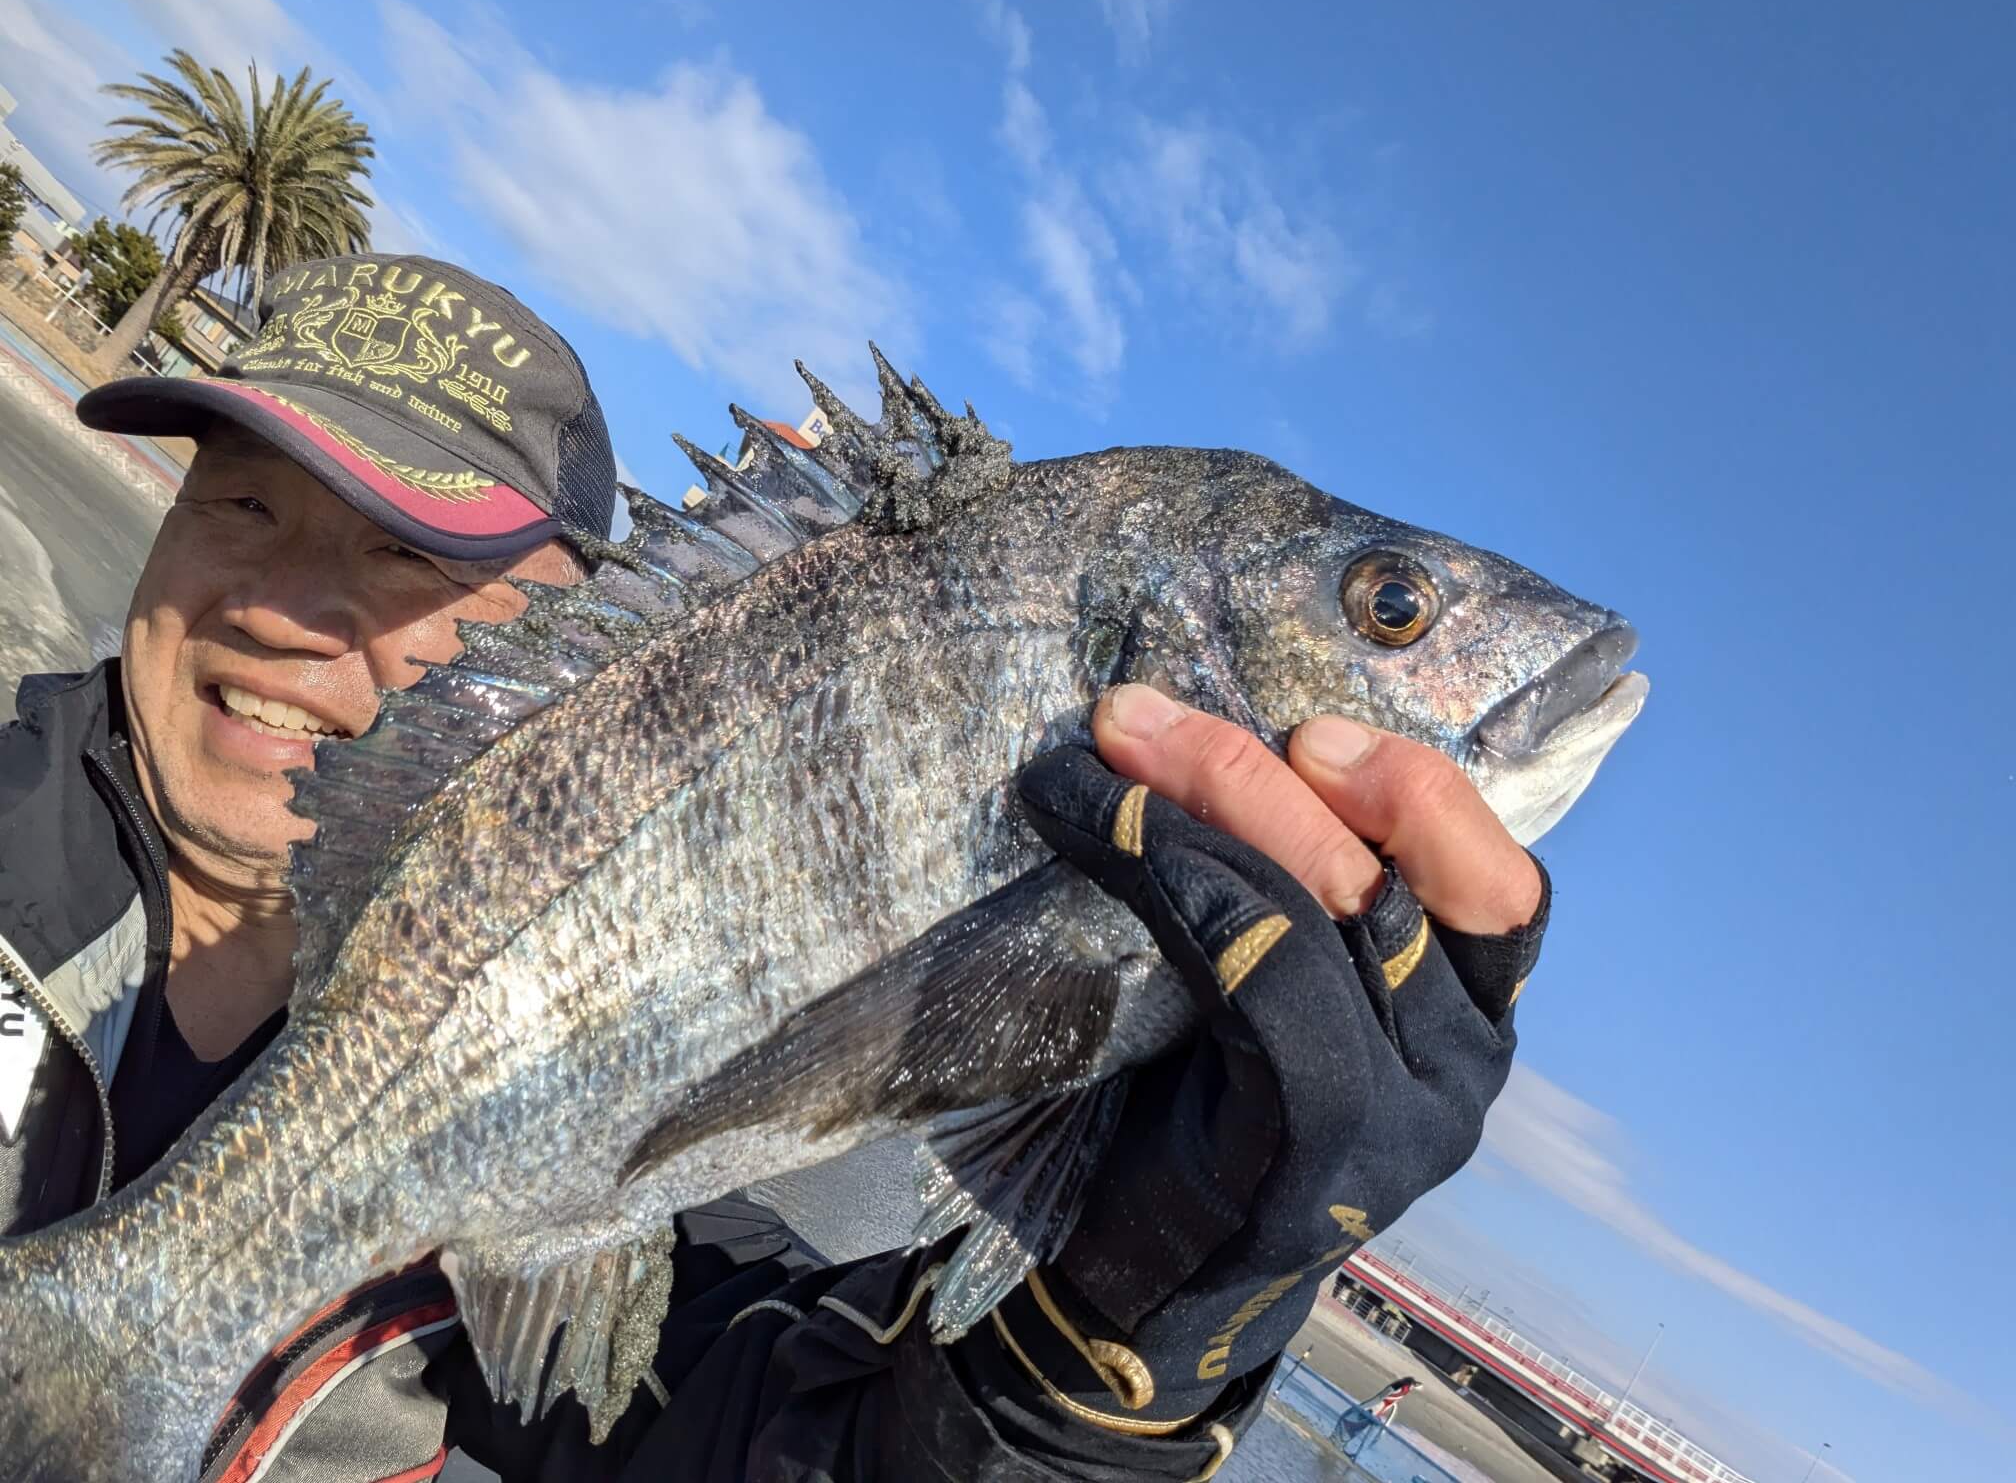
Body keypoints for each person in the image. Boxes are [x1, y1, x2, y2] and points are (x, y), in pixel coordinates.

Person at [0, 253, 1549, 1480]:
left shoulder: (641, 1216)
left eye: (406, 552)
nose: (287, 611)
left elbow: (805, 1443)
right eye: (243, 501)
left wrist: (1127, 1324)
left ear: (563, 637)